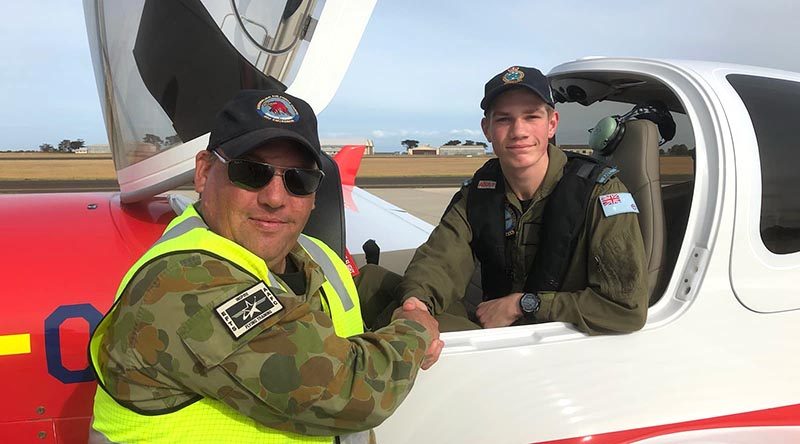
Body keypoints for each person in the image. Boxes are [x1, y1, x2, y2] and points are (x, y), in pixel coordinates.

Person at [88, 89, 444, 443]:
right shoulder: (186, 279)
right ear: (204, 172)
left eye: (299, 180)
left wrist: (413, 297)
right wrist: (415, 329)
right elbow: (352, 391)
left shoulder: (316, 256)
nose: (275, 198)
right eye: (251, 172)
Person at [396, 66, 649, 334]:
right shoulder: (480, 193)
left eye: (531, 117)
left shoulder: (601, 193)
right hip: (500, 335)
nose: (519, 131)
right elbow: (439, 259)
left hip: (561, 340)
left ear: (552, 124)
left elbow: (626, 309)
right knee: (374, 285)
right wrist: (416, 305)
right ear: (487, 129)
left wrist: (526, 304)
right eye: (504, 119)